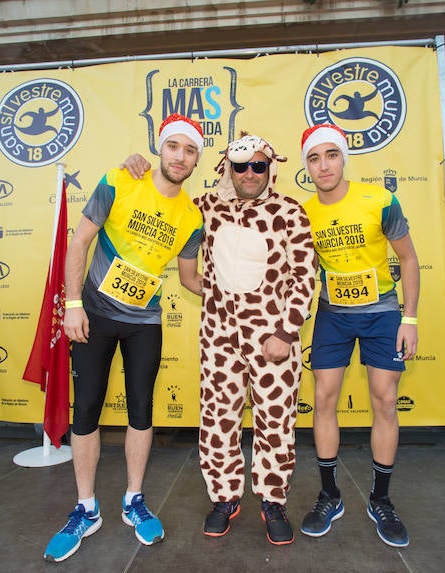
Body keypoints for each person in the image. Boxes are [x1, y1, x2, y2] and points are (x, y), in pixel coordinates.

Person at [122, 133, 316, 545]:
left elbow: (304, 277)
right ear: (228, 167)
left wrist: (285, 331)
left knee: (276, 423)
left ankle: (272, 499)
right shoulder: (205, 207)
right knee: (217, 420)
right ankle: (224, 497)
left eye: (258, 166)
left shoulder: (290, 212)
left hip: (275, 340)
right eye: (241, 165)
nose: (249, 173)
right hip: (219, 337)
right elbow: (163, 204)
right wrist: (135, 171)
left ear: (271, 168)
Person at [43, 114, 205, 563]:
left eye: (190, 150)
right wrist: (72, 304)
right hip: (93, 313)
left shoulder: (193, 217)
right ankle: (85, 508)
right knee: (88, 407)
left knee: (140, 409)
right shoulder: (119, 179)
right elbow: (79, 243)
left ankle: (134, 500)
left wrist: (235, 297)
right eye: (173, 146)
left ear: (196, 161)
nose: (180, 156)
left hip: (145, 323)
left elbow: (190, 279)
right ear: (160, 148)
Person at [298, 123, 419, 548]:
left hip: (382, 313)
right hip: (333, 314)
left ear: (343, 157)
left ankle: (380, 499)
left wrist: (411, 318)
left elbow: (408, 259)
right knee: (325, 398)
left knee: (385, 400)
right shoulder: (304, 212)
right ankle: (330, 495)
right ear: (307, 167)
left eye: (331, 155)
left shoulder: (380, 199)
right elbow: (300, 271)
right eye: (314, 158)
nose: (324, 164)